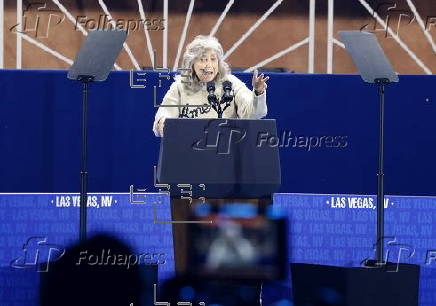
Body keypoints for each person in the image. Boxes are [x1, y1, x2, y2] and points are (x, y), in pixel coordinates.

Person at [153, 35, 270, 137]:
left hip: (226, 152)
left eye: (213, 59)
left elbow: (253, 114)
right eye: (203, 60)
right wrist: (162, 123)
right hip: (188, 153)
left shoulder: (231, 84)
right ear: (192, 64)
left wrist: (258, 92)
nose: (209, 65)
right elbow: (164, 114)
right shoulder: (180, 86)